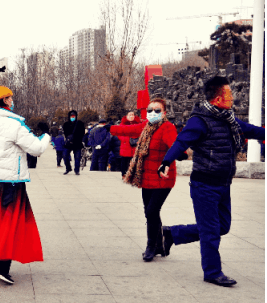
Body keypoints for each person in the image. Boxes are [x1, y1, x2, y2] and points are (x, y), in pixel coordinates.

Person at [159, 76, 266, 287]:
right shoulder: (199, 121)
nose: (232, 98)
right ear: (218, 99)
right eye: (229, 94)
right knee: (210, 231)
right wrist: (166, 161)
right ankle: (212, 272)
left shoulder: (229, 119)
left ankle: (172, 233)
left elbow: (253, 130)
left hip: (223, 183)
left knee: (222, 227)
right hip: (204, 185)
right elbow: (182, 141)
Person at [0, 66, 50, 285]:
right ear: (5, 101)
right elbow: (37, 149)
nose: (12, 101)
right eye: (10, 98)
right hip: (9, 182)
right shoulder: (14, 125)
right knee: (9, 223)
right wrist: (46, 135)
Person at [110, 98, 184, 262]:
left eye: (157, 110)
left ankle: (151, 247)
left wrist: (180, 153)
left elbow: (175, 144)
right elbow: (129, 130)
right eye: (150, 110)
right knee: (150, 211)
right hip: (146, 177)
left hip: (162, 177)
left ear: (164, 113)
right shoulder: (145, 126)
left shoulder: (167, 127)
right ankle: (159, 244)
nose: (152, 113)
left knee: (151, 211)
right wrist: (109, 128)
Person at [117, 111, 142, 177]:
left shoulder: (138, 124)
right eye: (130, 115)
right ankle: (124, 174)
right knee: (124, 160)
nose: (131, 116)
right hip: (125, 145)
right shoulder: (122, 124)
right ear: (127, 116)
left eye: (133, 115)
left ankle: (133, 174)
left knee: (134, 160)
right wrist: (125, 140)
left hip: (135, 145)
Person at [62, 110, 86, 175]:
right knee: (65, 156)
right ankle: (68, 168)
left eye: (74, 116)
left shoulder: (80, 123)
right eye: (71, 116)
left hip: (77, 143)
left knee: (77, 158)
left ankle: (77, 170)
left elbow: (82, 133)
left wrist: (78, 138)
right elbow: (65, 133)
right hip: (69, 143)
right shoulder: (66, 124)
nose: (72, 117)